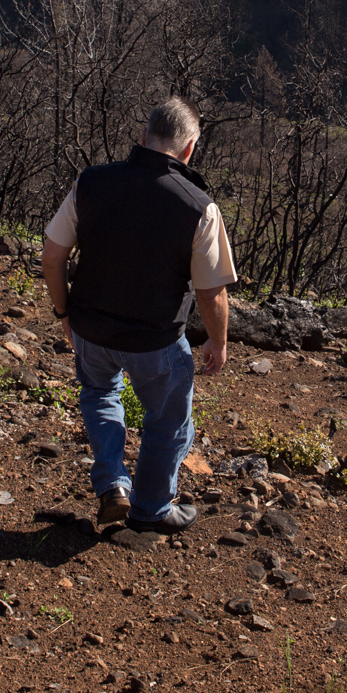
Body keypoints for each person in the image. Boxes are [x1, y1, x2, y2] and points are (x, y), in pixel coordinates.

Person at [41, 97, 233, 532]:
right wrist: (218, 342)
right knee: (168, 421)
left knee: (99, 395)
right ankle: (151, 508)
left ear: (144, 136)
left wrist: (63, 312)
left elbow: (52, 256)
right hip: (156, 340)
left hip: (90, 328)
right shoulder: (199, 205)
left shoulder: (91, 182)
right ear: (188, 149)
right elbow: (211, 294)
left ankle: (113, 483)